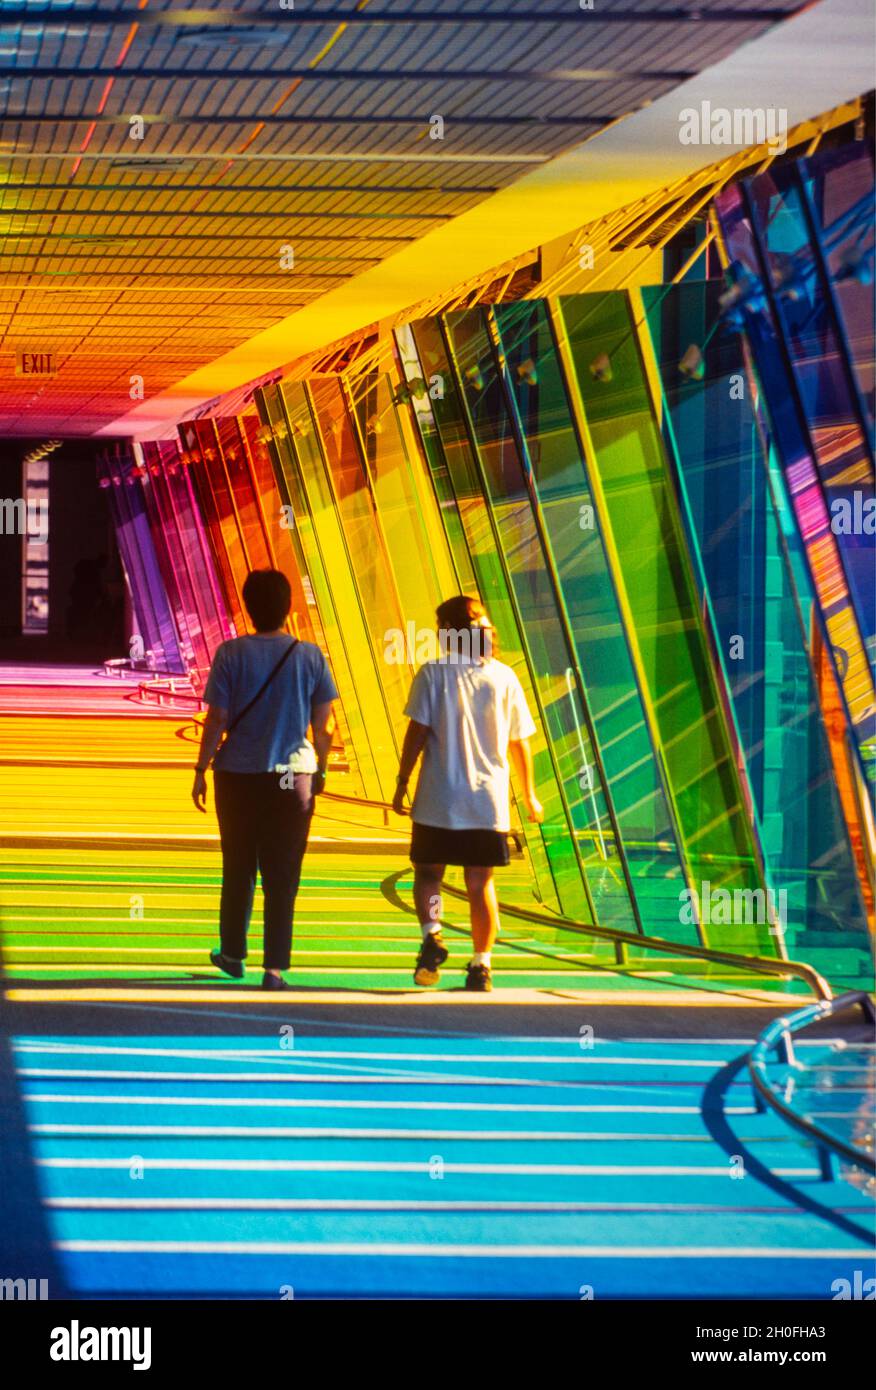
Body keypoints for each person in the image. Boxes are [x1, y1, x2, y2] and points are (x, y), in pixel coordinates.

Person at [191, 569, 338, 991]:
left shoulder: (229, 654)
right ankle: (274, 968)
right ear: (288, 607)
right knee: (282, 872)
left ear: (247, 607)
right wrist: (322, 769)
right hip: (292, 777)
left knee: (238, 865)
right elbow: (323, 726)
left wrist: (201, 769)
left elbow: (217, 718)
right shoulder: (310, 656)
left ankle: (233, 953)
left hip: (237, 776)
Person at [392, 595, 543, 993]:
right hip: (486, 803)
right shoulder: (505, 678)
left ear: (446, 633)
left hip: (438, 799)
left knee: (429, 876)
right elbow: (519, 744)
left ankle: (433, 932)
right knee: (481, 884)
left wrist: (403, 779)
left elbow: (417, 734)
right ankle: (481, 965)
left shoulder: (433, 673)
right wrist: (529, 795)